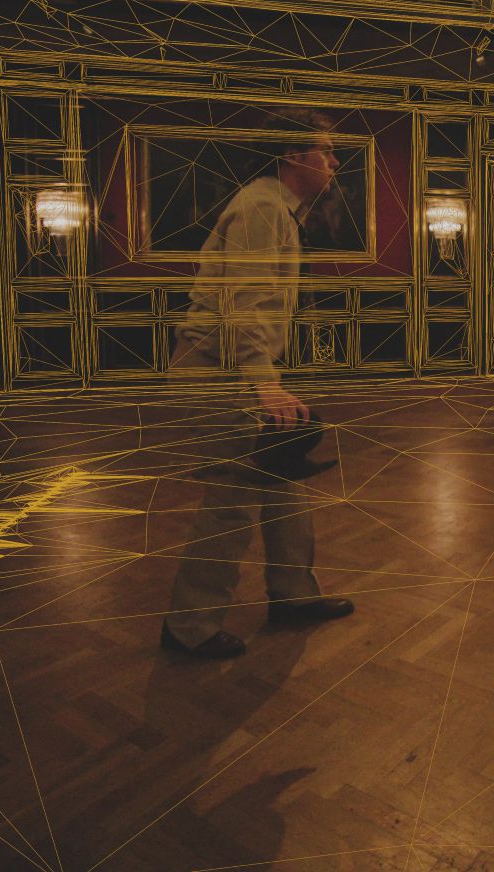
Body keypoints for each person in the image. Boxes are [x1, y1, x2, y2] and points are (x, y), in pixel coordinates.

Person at [160, 109, 354, 659]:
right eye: (325, 151)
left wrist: (266, 376)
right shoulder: (264, 207)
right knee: (233, 497)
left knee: (283, 478)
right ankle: (189, 627)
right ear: (293, 157)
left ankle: (293, 595)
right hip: (215, 370)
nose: (334, 161)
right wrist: (264, 383)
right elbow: (246, 301)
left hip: (233, 366)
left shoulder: (274, 206)